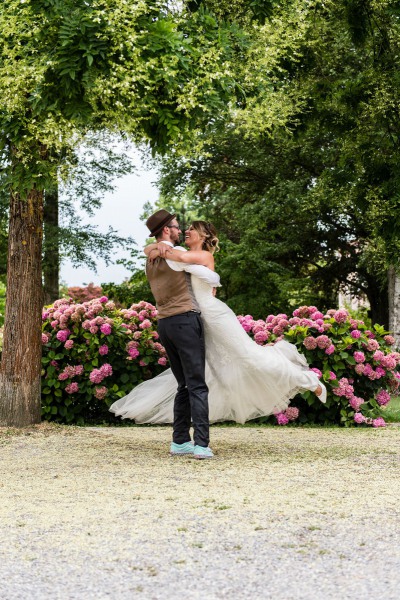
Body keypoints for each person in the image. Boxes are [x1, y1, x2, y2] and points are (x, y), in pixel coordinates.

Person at [110, 219, 326, 440]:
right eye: (186, 228)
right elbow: (164, 255)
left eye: (192, 229)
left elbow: (181, 258)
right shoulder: (181, 251)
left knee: (250, 358)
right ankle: (185, 436)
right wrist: (154, 247)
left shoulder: (203, 256)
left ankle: (307, 380)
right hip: (199, 320)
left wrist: (159, 248)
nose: (187, 231)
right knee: (217, 372)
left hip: (215, 315)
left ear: (203, 236)